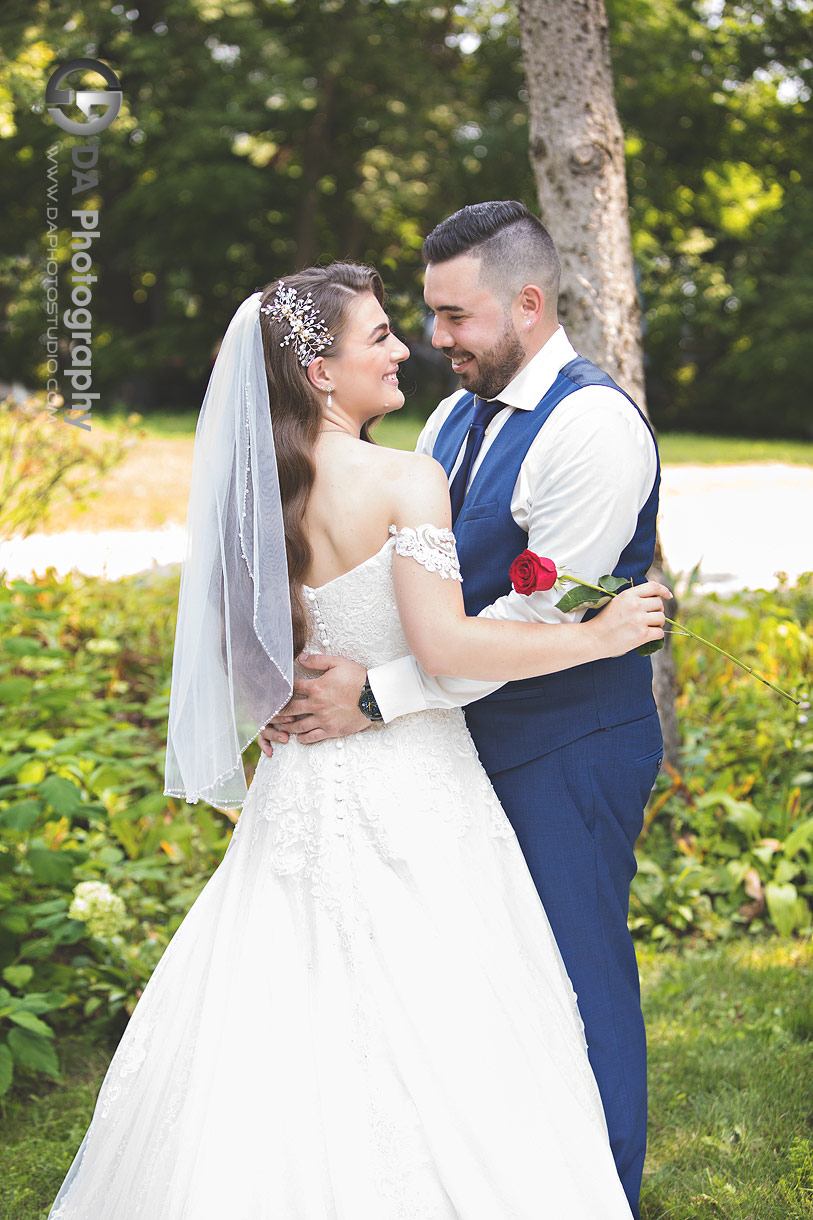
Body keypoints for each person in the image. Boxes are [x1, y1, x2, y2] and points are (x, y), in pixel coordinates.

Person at [48, 260, 668, 1220]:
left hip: (298, 784)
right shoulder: (404, 475)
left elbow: (242, 657)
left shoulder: (256, 495)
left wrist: (303, 690)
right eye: (378, 334)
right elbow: (446, 645)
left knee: (281, 1004)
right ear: (319, 370)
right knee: (451, 1011)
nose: (404, 347)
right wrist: (599, 633)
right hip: (413, 781)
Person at [260, 202, 662, 1219]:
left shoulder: (595, 432)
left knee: (574, 978)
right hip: (451, 741)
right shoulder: (450, 418)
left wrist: (376, 695)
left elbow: (531, 614)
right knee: (484, 976)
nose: (435, 339)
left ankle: (601, 1188)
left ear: (528, 303)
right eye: (423, 316)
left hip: (567, 742)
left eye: (452, 316)